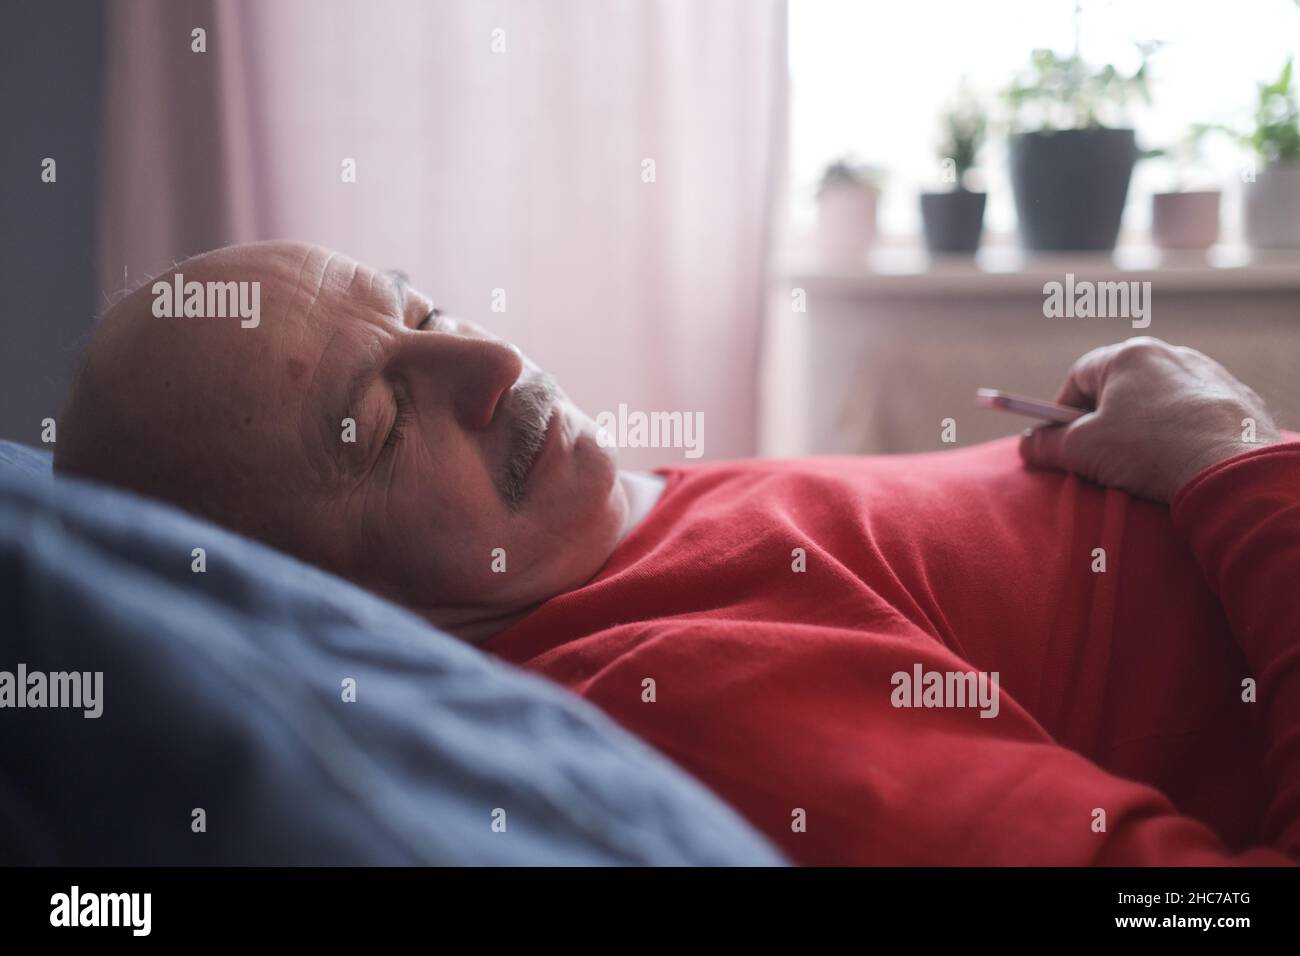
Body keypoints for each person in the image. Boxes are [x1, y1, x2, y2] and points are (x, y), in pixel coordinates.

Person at [56, 241, 1300, 865]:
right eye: (378, 429)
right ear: (326, 608)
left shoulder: (601, 534)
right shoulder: (686, 695)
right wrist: (1228, 457)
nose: (492, 364)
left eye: (424, 311)